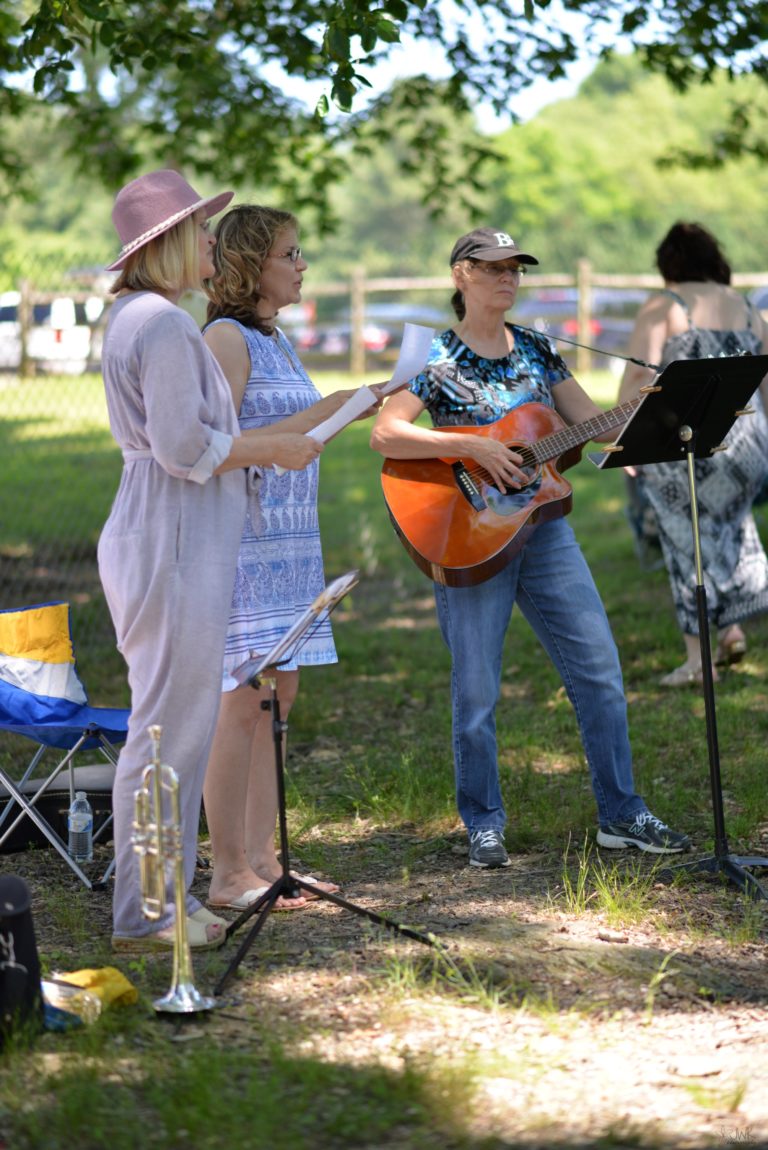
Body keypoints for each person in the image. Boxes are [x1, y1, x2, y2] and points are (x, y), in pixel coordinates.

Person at [370, 227, 691, 866]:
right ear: (462, 274)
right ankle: (483, 821)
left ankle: (622, 814)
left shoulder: (541, 350)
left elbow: (595, 427)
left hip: (545, 530)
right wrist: (473, 445)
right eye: (493, 268)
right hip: (468, 530)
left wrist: (664, 400)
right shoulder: (434, 355)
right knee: (477, 690)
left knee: (600, 668)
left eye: (515, 268)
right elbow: (386, 433)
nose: (508, 278)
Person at [98, 171, 322, 952]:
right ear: (165, 244)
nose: (210, 245)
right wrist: (273, 447)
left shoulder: (142, 316)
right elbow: (184, 447)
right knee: (166, 731)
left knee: (178, 728)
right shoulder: (160, 324)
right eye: (198, 231)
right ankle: (148, 912)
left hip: (172, 528)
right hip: (172, 531)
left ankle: (165, 899)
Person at [201, 204, 379, 911]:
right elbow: (216, 448)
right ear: (251, 265)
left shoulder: (277, 339)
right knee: (241, 703)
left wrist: (347, 407)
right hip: (242, 545)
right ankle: (226, 872)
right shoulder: (224, 338)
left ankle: (267, 863)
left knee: (279, 697)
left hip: (291, 543)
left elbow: (290, 436)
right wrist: (331, 404)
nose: (302, 264)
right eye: (289, 254)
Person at [618, 222, 768, 687]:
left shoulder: (666, 306)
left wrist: (626, 441)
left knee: (687, 543)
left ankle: (697, 662)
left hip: (687, 445)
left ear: (671, 264)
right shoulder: (746, 307)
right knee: (730, 525)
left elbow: (636, 380)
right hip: (747, 443)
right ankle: (732, 630)